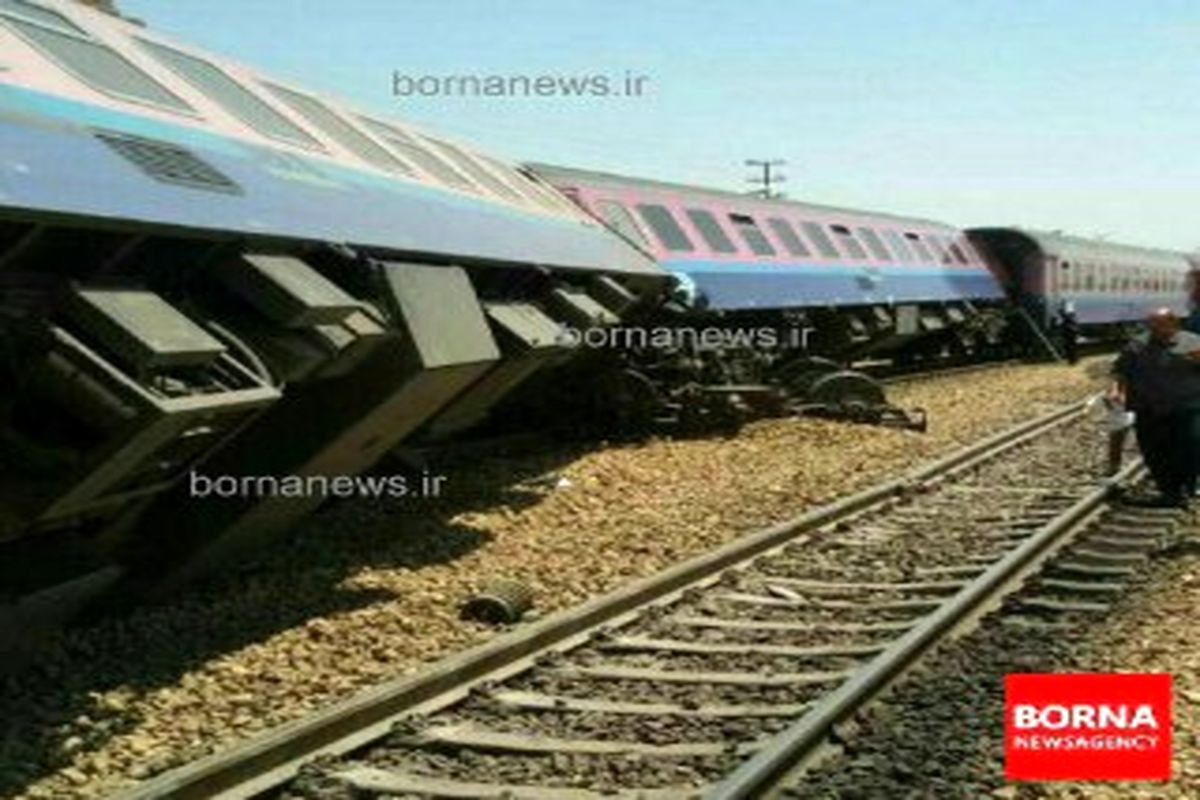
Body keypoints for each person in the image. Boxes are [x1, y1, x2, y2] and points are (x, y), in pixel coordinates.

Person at [1110, 308, 1200, 507]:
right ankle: (1169, 491)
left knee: (1190, 448)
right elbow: (1120, 371)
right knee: (1155, 452)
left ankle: (1188, 485)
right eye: (1151, 324)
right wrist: (1116, 391)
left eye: (1159, 324)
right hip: (1148, 408)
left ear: (1174, 324)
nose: (1154, 329)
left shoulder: (1193, 342)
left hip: (1185, 407)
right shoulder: (1137, 345)